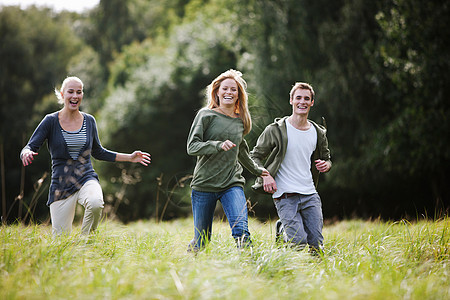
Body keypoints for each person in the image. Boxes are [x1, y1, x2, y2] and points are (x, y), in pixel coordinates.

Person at [20, 76, 151, 236]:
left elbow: (98, 152)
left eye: (79, 92)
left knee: (95, 203)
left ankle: (86, 243)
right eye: (71, 92)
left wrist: (130, 157)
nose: (75, 96)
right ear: (62, 94)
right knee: (61, 241)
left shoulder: (89, 121)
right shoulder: (50, 121)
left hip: (86, 178)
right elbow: (30, 146)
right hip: (61, 185)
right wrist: (26, 152)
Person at [186, 69, 269, 251]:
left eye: (233, 89)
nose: (229, 92)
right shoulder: (205, 115)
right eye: (225, 89)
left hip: (231, 183)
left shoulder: (240, 121)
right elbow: (192, 147)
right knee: (202, 241)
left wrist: (260, 172)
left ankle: (249, 269)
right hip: (204, 185)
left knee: (241, 230)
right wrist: (217, 145)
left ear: (239, 95)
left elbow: (242, 152)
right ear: (217, 91)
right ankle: (192, 259)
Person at [250, 82, 331, 254]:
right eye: (298, 98)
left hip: (309, 193)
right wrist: (265, 175)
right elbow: (254, 156)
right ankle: (283, 232)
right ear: (291, 100)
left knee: (316, 244)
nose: (302, 102)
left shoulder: (318, 132)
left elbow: (327, 159)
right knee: (299, 242)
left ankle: (315, 277)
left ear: (312, 102)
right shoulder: (276, 130)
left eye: (306, 99)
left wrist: (327, 165)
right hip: (285, 195)